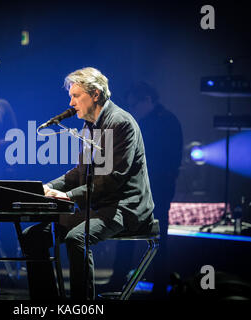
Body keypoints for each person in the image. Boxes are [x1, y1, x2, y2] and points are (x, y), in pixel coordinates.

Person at [20, 67, 156, 300]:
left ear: (95, 94)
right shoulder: (89, 126)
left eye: (76, 96)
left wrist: (68, 197)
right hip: (99, 205)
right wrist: (45, 188)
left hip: (125, 207)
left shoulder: (120, 123)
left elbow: (112, 180)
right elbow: (79, 173)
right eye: (70, 96)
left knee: (76, 238)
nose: (71, 102)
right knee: (33, 235)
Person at [108, 81, 183, 298]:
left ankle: (158, 284)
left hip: (157, 189)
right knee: (125, 231)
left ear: (148, 100)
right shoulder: (145, 121)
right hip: (138, 188)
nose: (133, 109)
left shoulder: (167, 122)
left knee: (158, 237)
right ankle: (118, 278)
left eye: (135, 104)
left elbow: (168, 161)